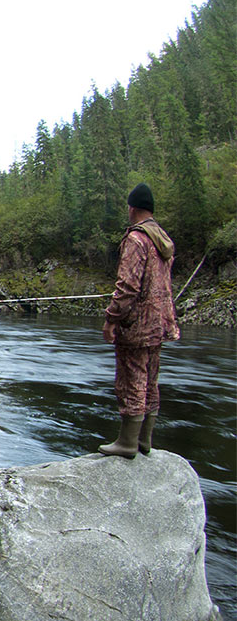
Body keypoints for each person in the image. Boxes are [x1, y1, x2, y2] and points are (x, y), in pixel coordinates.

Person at [99, 182, 179, 458]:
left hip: (136, 324)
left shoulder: (136, 239)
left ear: (132, 209)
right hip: (161, 322)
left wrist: (111, 318)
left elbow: (128, 286)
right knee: (150, 380)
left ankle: (127, 443)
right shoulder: (162, 238)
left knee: (130, 380)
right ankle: (145, 440)